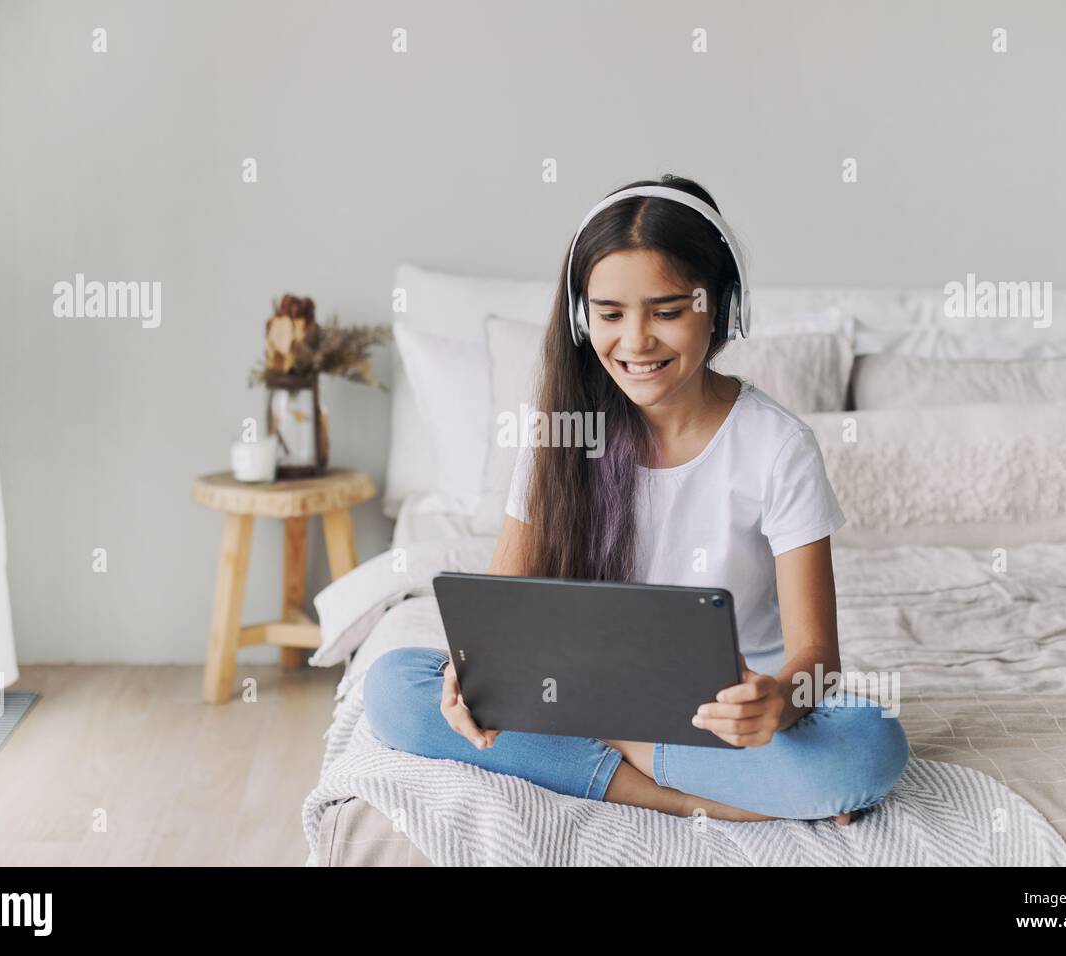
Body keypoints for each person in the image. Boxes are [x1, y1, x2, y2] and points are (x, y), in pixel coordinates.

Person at [364, 174, 909, 825]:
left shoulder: (776, 445)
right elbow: (498, 624)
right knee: (395, 684)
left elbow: (817, 661)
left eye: (668, 311)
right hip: (571, 696)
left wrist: (780, 701)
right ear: (579, 317)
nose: (636, 341)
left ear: (723, 309)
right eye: (610, 314)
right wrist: (469, 676)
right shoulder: (558, 439)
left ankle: (635, 764)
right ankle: (686, 799)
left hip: (723, 721)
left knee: (867, 744)